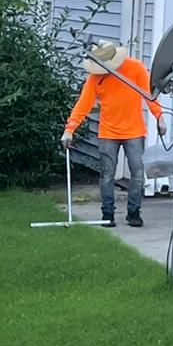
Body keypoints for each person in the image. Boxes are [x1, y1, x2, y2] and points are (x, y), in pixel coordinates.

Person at [61, 39, 166, 227]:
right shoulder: (95, 76)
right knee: (107, 174)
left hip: (134, 131)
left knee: (137, 173)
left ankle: (134, 212)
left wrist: (160, 117)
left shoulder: (135, 68)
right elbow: (83, 104)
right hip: (108, 132)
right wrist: (70, 129)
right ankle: (107, 213)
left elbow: (149, 94)